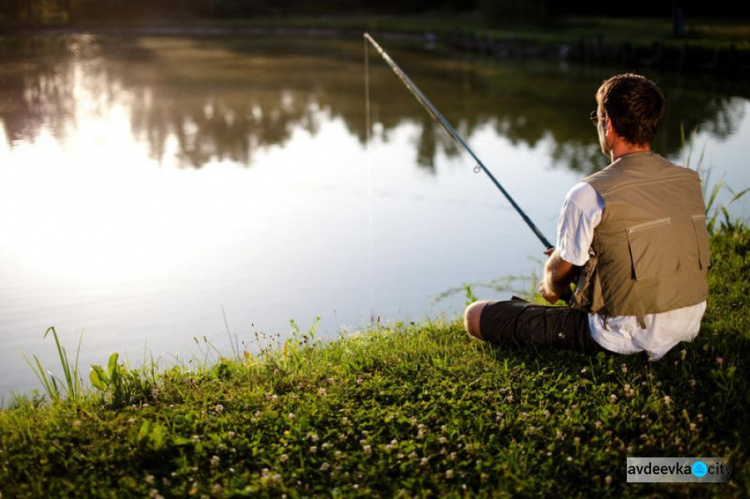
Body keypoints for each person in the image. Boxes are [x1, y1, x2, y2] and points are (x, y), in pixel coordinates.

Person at [464, 73, 710, 360]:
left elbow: (557, 277)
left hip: (624, 338)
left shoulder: (589, 193)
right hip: (688, 324)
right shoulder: (688, 180)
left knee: (476, 315)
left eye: (598, 118)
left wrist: (550, 283)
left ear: (609, 125)